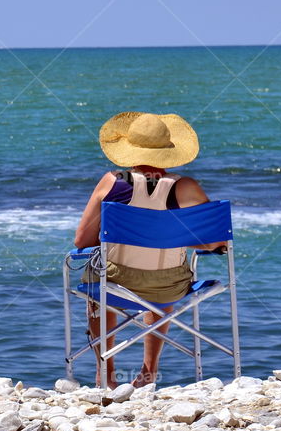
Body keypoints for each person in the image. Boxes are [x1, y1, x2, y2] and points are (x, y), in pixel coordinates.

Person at [73, 112, 224, 388]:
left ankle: (105, 371)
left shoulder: (112, 182)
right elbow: (215, 241)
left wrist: (121, 239)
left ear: (131, 148)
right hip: (170, 287)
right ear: (169, 151)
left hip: (116, 284)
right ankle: (149, 371)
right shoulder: (186, 187)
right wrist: (171, 238)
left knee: (99, 272)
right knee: (165, 273)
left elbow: (82, 240)